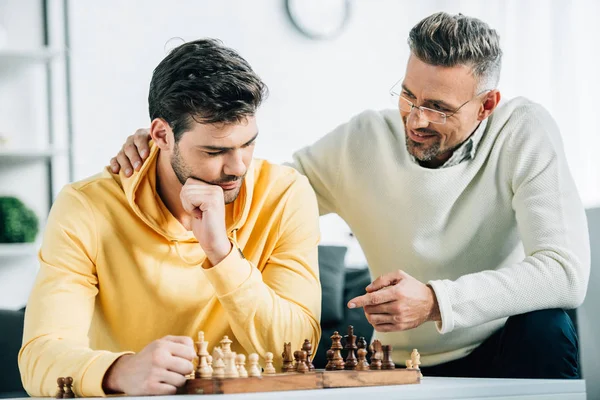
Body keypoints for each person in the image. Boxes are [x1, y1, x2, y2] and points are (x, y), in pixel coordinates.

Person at [112, 13, 590, 379]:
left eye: (439, 108)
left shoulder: (524, 131)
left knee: (548, 325)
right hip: (400, 365)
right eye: (408, 96)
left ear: (487, 105)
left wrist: (434, 301)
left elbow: (566, 273)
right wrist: (170, 151)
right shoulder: (363, 141)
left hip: (507, 345)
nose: (416, 119)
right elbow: (263, 194)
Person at [19, 39, 322, 397]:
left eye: (248, 144)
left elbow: (297, 349)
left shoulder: (286, 194)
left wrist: (221, 252)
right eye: (215, 151)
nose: (238, 167)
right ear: (161, 134)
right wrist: (119, 371)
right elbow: (39, 358)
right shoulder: (86, 206)